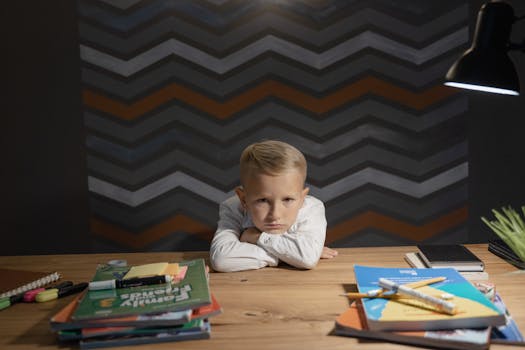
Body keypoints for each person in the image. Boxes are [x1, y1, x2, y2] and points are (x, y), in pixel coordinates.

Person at [209, 140, 337, 272]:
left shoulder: (312, 208)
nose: (275, 214)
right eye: (263, 200)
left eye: (287, 199)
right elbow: (221, 259)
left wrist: (257, 237)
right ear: (243, 199)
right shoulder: (232, 208)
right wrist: (290, 257)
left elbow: (308, 258)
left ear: (302, 199)